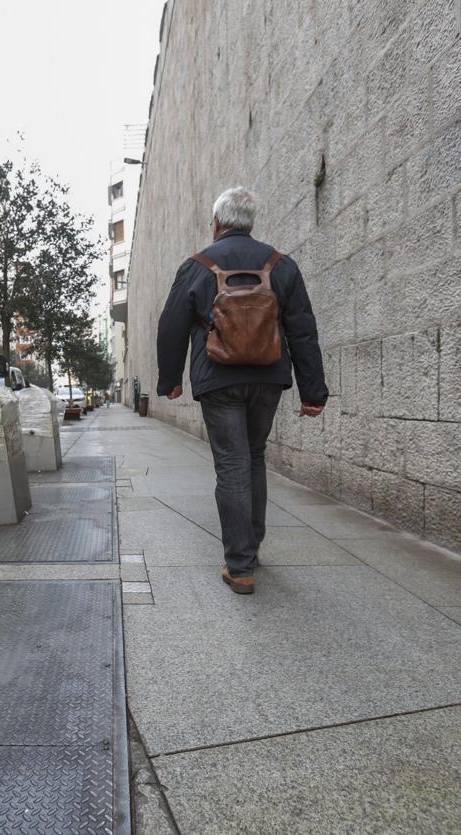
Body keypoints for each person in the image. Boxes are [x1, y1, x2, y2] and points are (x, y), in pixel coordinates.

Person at [156, 186, 328, 594]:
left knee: (231, 463)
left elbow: (171, 326)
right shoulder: (281, 265)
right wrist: (312, 392)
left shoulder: (197, 266)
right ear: (250, 223)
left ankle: (240, 564)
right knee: (253, 456)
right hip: (269, 377)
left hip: (218, 378)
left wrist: (171, 380)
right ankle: (251, 548)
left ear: (216, 223)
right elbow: (302, 329)